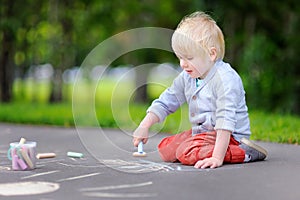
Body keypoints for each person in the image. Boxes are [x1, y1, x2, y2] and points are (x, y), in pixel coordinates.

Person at [132, 11, 267, 169]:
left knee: (185, 152)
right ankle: (200, 148)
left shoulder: (224, 79)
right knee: (166, 149)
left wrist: (217, 157)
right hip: (204, 133)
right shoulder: (188, 76)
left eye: (189, 58)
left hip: (230, 136)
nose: (183, 64)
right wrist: (144, 125)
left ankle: (244, 153)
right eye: (180, 58)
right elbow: (167, 101)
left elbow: (225, 121)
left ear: (211, 54)